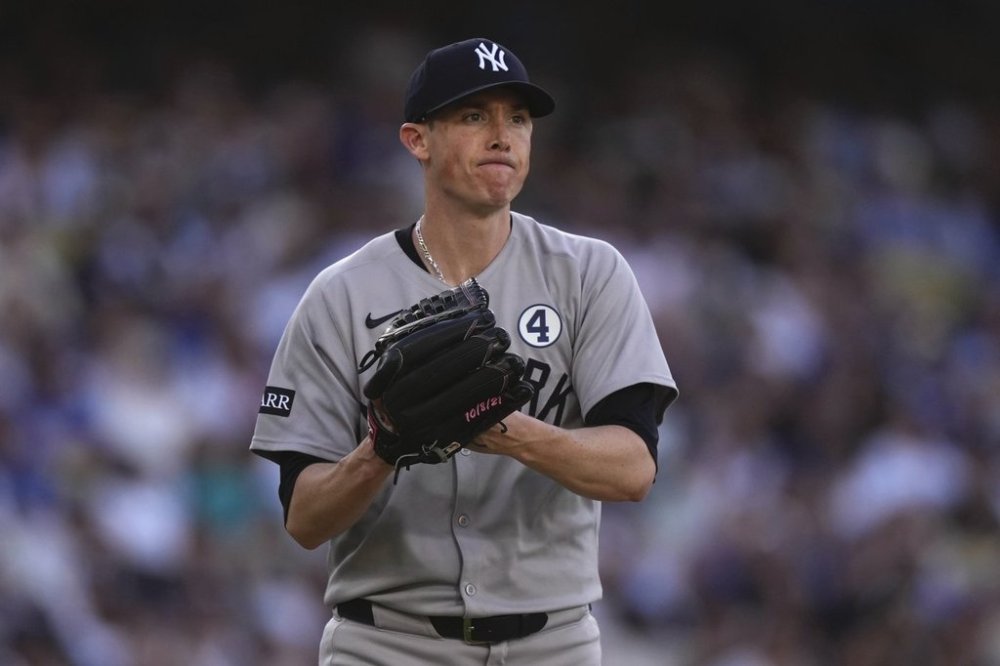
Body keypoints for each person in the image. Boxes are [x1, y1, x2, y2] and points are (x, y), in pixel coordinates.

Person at [251, 37, 678, 665]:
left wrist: (505, 431)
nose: (502, 136)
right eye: (474, 116)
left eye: (519, 119)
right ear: (417, 140)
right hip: (388, 644)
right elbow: (305, 520)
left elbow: (634, 468)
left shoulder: (590, 273)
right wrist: (381, 450)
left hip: (553, 645)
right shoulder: (340, 295)